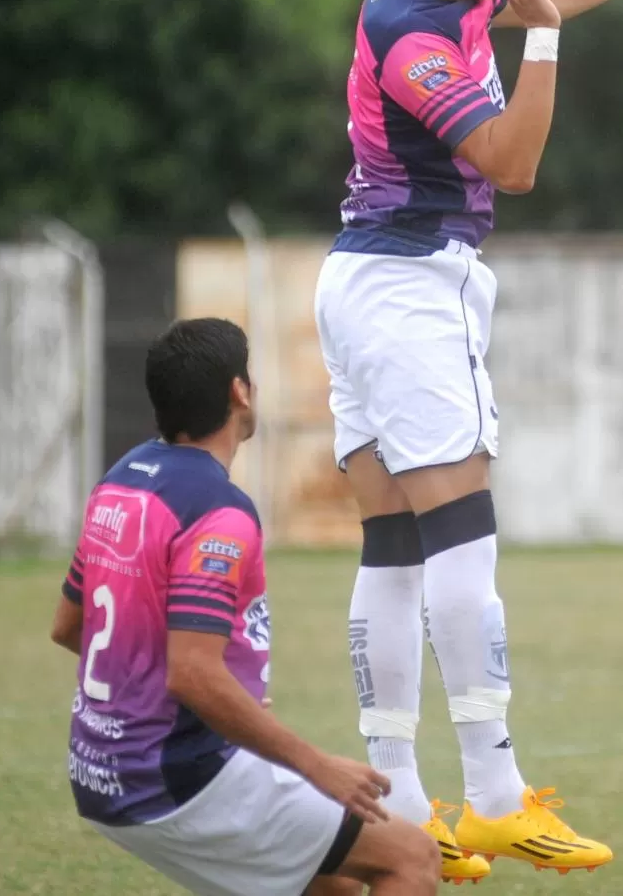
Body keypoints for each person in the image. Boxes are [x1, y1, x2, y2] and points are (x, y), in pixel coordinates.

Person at [314, 0, 623, 882]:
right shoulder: (415, 40)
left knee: (396, 547)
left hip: (364, 283)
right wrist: (539, 42)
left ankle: (402, 800)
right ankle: (494, 796)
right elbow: (514, 161)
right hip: (412, 290)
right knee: (461, 539)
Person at [50, 317, 441, 896]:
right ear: (239, 391)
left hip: (96, 768)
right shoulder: (219, 511)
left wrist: (203, 688)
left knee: (328, 884)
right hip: (176, 775)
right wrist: (316, 763)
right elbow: (192, 673)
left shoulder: (122, 479)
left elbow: (68, 626)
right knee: (411, 858)